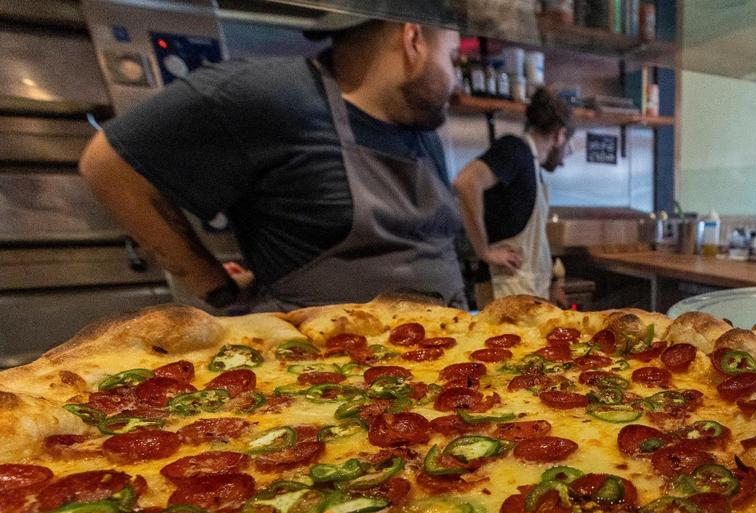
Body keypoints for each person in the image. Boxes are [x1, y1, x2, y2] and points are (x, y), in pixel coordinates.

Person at [78, 14, 467, 312]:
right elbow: (106, 166)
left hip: (453, 374)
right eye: (452, 57)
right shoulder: (272, 95)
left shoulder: (421, 126)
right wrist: (211, 283)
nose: (457, 82)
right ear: (412, 39)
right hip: (328, 383)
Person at [453, 88, 575, 307]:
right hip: (505, 289)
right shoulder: (515, 150)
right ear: (559, 135)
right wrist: (484, 252)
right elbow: (466, 182)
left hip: (524, 289)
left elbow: (535, 240)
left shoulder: (531, 163)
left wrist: (552, 283)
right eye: (569, 144)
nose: (566, 159)